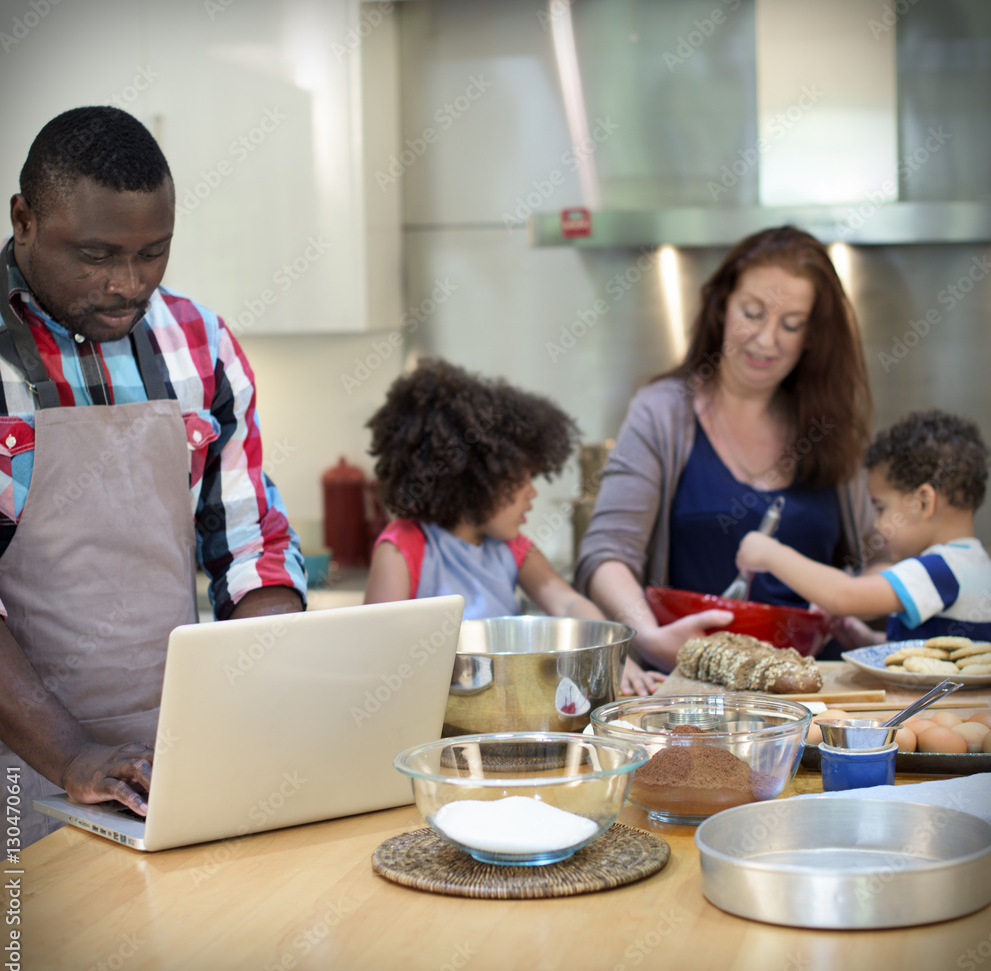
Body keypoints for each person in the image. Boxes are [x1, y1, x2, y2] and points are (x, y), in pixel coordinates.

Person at [0, 107, 306, 857]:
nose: (127, 284)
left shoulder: (200, 342)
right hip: (12, 766)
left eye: (153, 253)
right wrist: (72, 757)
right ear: (25, 220)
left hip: (174, 767)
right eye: (96, 254)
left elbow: (249, 543)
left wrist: (262, 699)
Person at [574, 225, 877, 680]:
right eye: (753, 313)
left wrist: (849, 597)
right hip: (697, 684)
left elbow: (883, 555)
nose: (766, 339)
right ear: (721, 306)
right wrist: (651, 637)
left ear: (813, 335)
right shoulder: (663, 412)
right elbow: (606, 554)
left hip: (818, 687)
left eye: (791, 324)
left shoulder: (830, 425)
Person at [362, 358, 652, 692]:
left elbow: (569, 604)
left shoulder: (512, 547)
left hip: (504, 704)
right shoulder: (404, 547)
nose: (532, 492)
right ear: (471, 480)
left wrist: (617, 658)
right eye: (517, 479)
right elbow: (378, 652)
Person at [737, 410, 991, 643]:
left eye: (881, 508)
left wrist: (771, 554)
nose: (877, 525)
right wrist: (865, 638)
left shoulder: (941, 569)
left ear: (923, 502)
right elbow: (922, 652)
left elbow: (844, 595)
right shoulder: (973, 564)